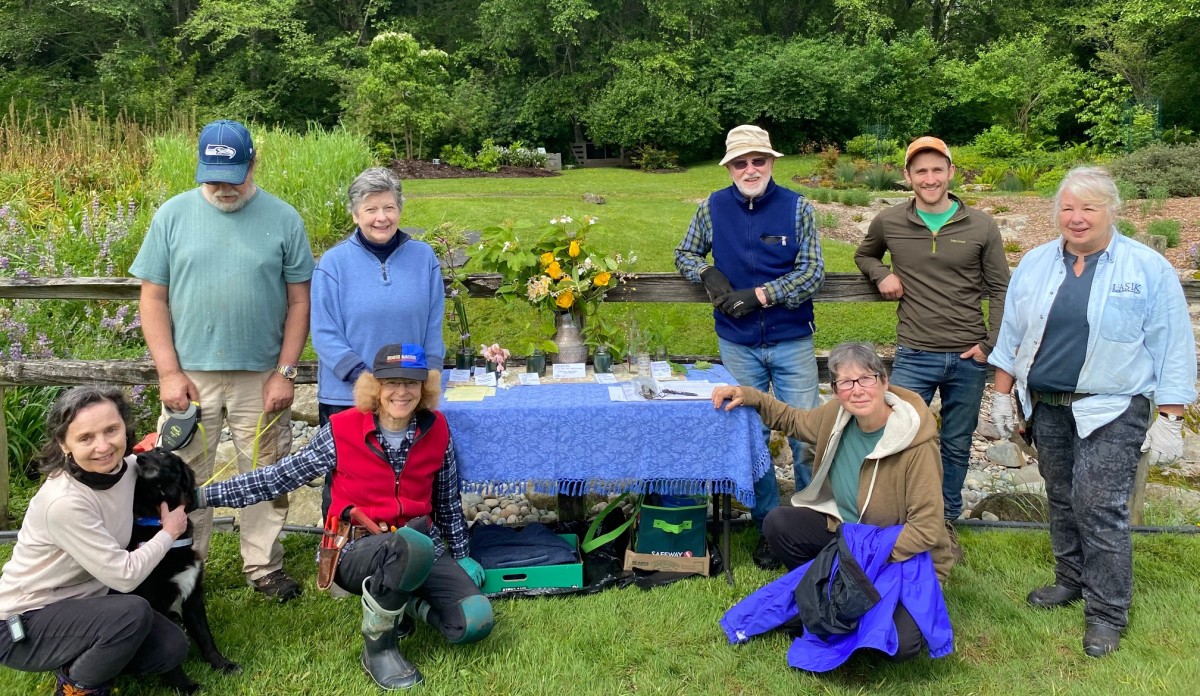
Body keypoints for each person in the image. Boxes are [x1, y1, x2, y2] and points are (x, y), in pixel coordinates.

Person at [194, 343, 493, 689]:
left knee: (474, 620)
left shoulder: (437, 429)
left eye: (411, 383)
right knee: (408, 547)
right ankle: (378, 650)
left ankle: (408, 605)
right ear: (374, 387)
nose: (401, 391)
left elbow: (447, 502)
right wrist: (202, 495)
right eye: (391, 382)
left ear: (424, 388)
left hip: (422, 546)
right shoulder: (341, 429)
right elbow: (278, 477)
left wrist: (461, 556)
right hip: (357, 550)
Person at [987, 166, 1196, 658]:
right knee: (1061, 496)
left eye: (1088, 207)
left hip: (1115, 406)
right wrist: (1002, 395)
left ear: (1111, 211)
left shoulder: (1146, 268)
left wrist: (1171, 419)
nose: (1076, 218)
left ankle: (1107, 613)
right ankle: (1071, 579)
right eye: (1067, 207)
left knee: (1099, 506)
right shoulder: (1037, 264)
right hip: (1049, 405)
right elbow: (1011, 337)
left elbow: (1173, 345)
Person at [130, 119, 316, 602]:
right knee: (183, 474)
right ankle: (187, 567)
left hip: (262, 377)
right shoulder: (172, 217)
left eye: (232, 175)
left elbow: (300, 302)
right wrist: (168, 373)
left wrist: (285, 372)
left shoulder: (283, 219)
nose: (221, 187)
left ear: (253, 162)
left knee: (264, 471)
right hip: (190, 379)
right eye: (211, 176)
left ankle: (263, 566)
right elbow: (152, 300)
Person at [712, 342, 954, 662]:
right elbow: (794, 420)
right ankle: (832, 592)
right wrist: (752, 396)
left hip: (897, 556)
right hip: (846, 535)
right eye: (845, 383)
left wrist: (860, 559)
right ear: (836, 390)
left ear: (883, 381)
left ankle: (835, 594)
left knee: (902, 644)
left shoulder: (915, 445)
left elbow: (926, 529)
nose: (857, 390)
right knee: (779, 523)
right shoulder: (836, 417)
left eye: (866, 379)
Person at [675, 124, 824, 569]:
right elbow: (684, 253)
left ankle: (814, 523)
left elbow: (812, 270)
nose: (750, 168)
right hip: (737, 342)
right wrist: (705, 274)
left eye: (758, 160)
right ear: (729, 168)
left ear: (771, 162)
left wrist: (761, 294)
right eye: (741, 162)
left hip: (791, 337)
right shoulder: (712, 208)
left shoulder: (797, 207)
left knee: (809, 434)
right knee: (752, 435)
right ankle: (767, 527)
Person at [854, 136, 1009, 559]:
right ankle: (894, 521)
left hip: (967, 358)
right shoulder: (890, 222)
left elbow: (1000, 288)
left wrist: (988, 346)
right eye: (920, 171)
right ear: (907, 176)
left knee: (957, 443)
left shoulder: (981, 225)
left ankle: (945, 523)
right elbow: (863, 254)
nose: (929, 178)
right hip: (915, 353)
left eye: (937, 169)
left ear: (950, 172)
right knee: (896, 437)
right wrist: (879, 273)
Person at [0, 387, 191, 696]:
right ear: (64, 444)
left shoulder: (127, 469)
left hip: (82, 602)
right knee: (132, 612)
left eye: (111, 430)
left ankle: (76, 655)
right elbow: (124, 576)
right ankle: (77, 687)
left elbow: (164, 477)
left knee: (169, 648)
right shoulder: (64, 502)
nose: (103, 446)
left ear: (124, 430)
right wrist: (168, 533)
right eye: (86, 438)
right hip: (23, 622)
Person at [312, 167, 444, 426]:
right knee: (350, 468)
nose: (381, 218)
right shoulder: (333, 263)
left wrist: (429, 374)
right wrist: (363, 378)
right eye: (371, 209)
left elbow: (433, 324)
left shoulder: (424, 258)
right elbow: (324, 331)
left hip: (406, 397)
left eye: (389, 208)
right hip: (347, 398)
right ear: (354, 214)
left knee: (410, 467)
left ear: (400, 211)